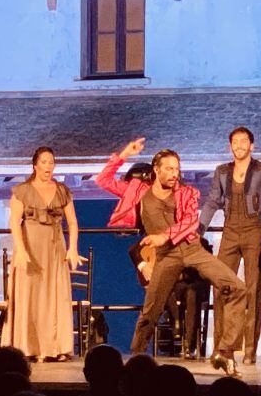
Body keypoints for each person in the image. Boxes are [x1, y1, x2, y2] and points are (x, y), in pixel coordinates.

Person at [95, 137, 248, 376]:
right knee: (151, 310)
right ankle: (136, 359)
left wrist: (163, 236)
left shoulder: (187, 193)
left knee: (238, 288)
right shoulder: (138, 191)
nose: (174, 173)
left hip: (192, 250)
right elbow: (102, 180)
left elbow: (190, 221)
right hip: (166, 256)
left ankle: (224, 352)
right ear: (156, 170)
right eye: (169, 168)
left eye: (177, 168)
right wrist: (125, 153)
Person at [199, 126, 261, 366]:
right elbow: (213, 201)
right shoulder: (222, 171)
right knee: (221, 284)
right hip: (229, 230)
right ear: (230, 146)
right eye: (235, 141)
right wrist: (198, 231)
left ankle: (249, 349)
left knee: (253, 289)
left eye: (244, 141)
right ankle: (223, 348)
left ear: (252, 145)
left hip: (254, 229)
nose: (239, 145)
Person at [2, 147, 85, 361]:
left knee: (54, 295)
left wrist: (72, 248)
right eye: (44, 162)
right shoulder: (23, 190)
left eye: (51, 162)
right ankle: (27, 347)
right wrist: (20, 249)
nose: (48, 166)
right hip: (30, 246)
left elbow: (73, 222)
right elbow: (14, 222)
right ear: (35, 165)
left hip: (54, 246)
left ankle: (55, 348)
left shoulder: (62, 190)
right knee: (30, 295)